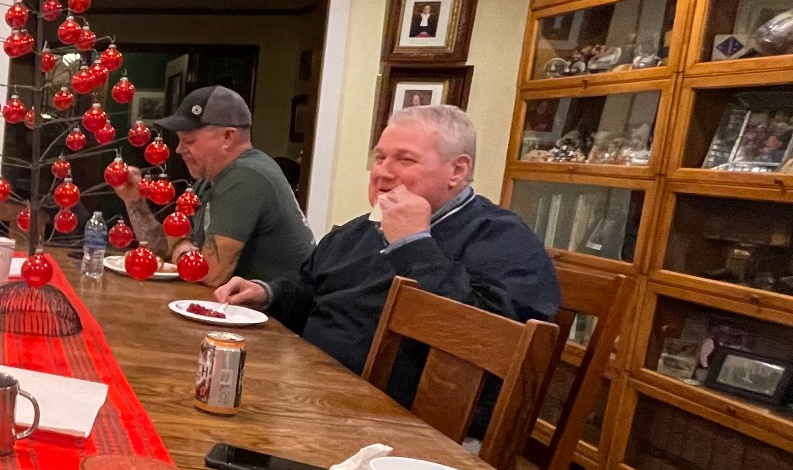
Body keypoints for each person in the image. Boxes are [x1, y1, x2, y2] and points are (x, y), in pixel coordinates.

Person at [215, 104, 559, 405]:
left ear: (457, 170)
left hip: (414, 423)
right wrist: (267, 293)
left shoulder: (505, 238)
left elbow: (492, 344)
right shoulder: (357, 231)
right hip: (311, 389)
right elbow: (310, 295)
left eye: (404, 160)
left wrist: (413, 243)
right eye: (380, 157)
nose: (382, 172)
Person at [125, 87, 312, 287]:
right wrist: (133, 199)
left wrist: (181, 247)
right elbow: (164, 246)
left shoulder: (246, 176)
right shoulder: (209, 178)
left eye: (190, 140)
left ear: (228, 137)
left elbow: (210, 274)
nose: (179, 150)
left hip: (276, 315)